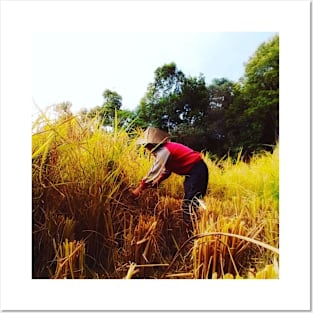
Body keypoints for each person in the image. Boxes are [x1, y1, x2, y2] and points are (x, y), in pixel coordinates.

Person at [131, 127, 209, 227]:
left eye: (147, 145)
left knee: (190, 202)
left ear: (153, 144)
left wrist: (139, 189)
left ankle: (191, 229)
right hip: (194, 171)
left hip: (197, 170)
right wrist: (158, 182)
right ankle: (192, 225)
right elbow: (167, 170)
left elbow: (154, 172)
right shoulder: (166, 150)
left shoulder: (164, 151)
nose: (147, 148)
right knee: (190, 199)